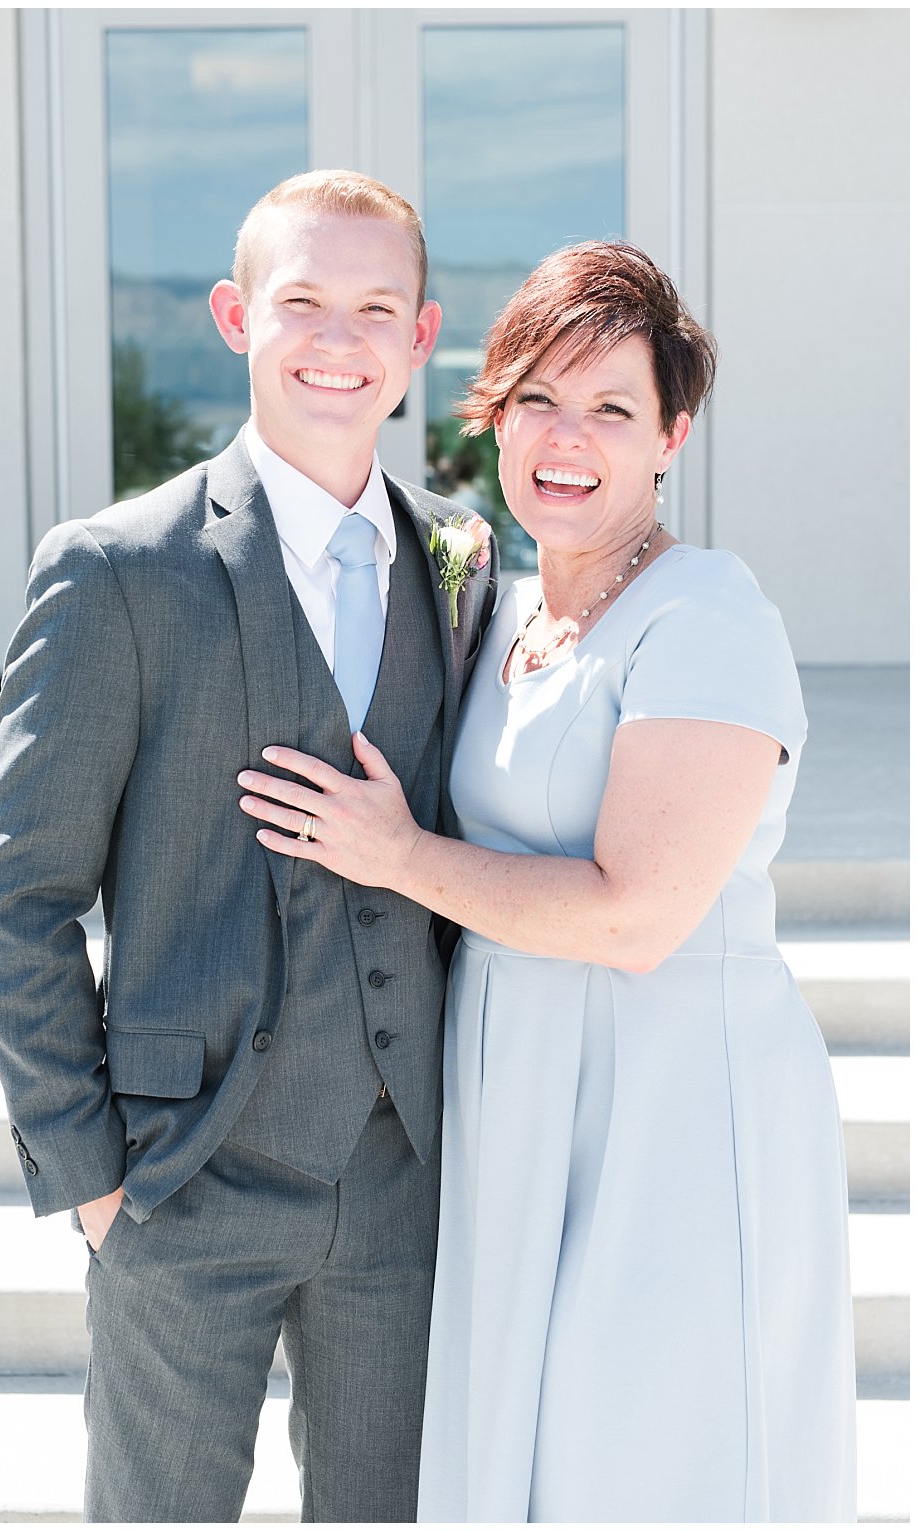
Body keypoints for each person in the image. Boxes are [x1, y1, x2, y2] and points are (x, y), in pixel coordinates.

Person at [237, 241, 856, 1521]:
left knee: (645, 1455)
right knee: (514, 1456)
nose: (565, 438)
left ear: (670, 435)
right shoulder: (496, 605)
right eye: (536, 400)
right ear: (495, 418)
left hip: (669, 1100)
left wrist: (396, 855)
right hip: (509, 1092)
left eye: (611, 408)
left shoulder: (707, 615)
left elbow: (636, 915)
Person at [0, 170, 498, 1522]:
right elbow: (14, 897)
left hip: (400, 1187)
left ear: (423, 336)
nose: (339, 337)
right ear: (233, 316)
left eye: (376, 308)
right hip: (178, 1181)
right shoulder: (118, 569)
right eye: (302, 299)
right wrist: (96, 1184)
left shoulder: (463, 564)